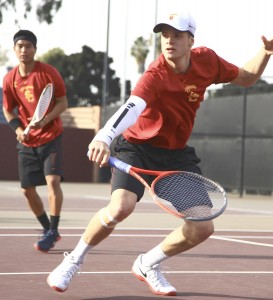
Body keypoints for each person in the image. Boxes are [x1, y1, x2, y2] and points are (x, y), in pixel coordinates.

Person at [47, 12, 273, 296]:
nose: (169, 41)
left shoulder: (208, 61)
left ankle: (148, 263)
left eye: (177, 35)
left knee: (202, 228)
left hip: (176, 154)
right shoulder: (155, 75)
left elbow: (248, 77)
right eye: (165, 35)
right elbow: (132, 107)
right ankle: (74, 260)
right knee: (120, 207)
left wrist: (266, 51)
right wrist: (105, 136)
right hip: (137, 149)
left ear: (191, 40)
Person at [2, 30, 68, 253]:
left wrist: (46, 119)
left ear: (35, 49)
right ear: (14, 49)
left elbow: (62, 102)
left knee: (52, 181)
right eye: (20, 45)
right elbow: (7, 109)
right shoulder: (9, 79)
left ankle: (53, 229)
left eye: (28, 46)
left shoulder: (48, 73)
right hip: (27, 142)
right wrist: (18, 129)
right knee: (27, 190)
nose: (24, 50)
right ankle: (49, 229)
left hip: (51, 137)